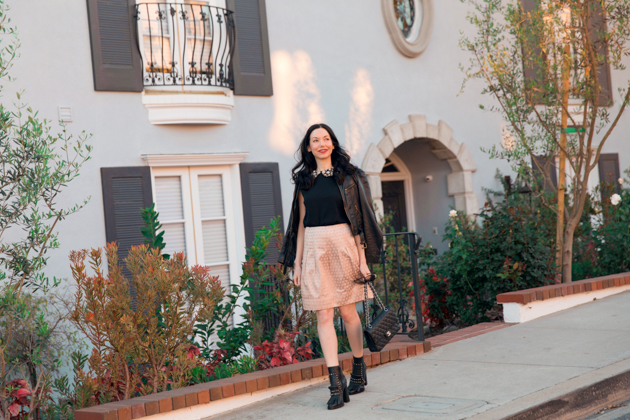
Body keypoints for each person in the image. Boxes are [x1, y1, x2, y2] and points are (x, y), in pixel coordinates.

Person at [279, 123, 383, 410]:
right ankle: (336, 385)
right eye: (315, 140)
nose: (321, 143)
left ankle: (358, 368)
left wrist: (362, 260)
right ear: (309, 147)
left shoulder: (348, 176)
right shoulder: (304, 180)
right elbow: (299, 224)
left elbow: (359, 219)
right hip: (314, 246)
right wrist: (297, 264)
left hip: (345, 244)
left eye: (326, 138)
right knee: (323, 314)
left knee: (349, 312)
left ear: (332, 144)